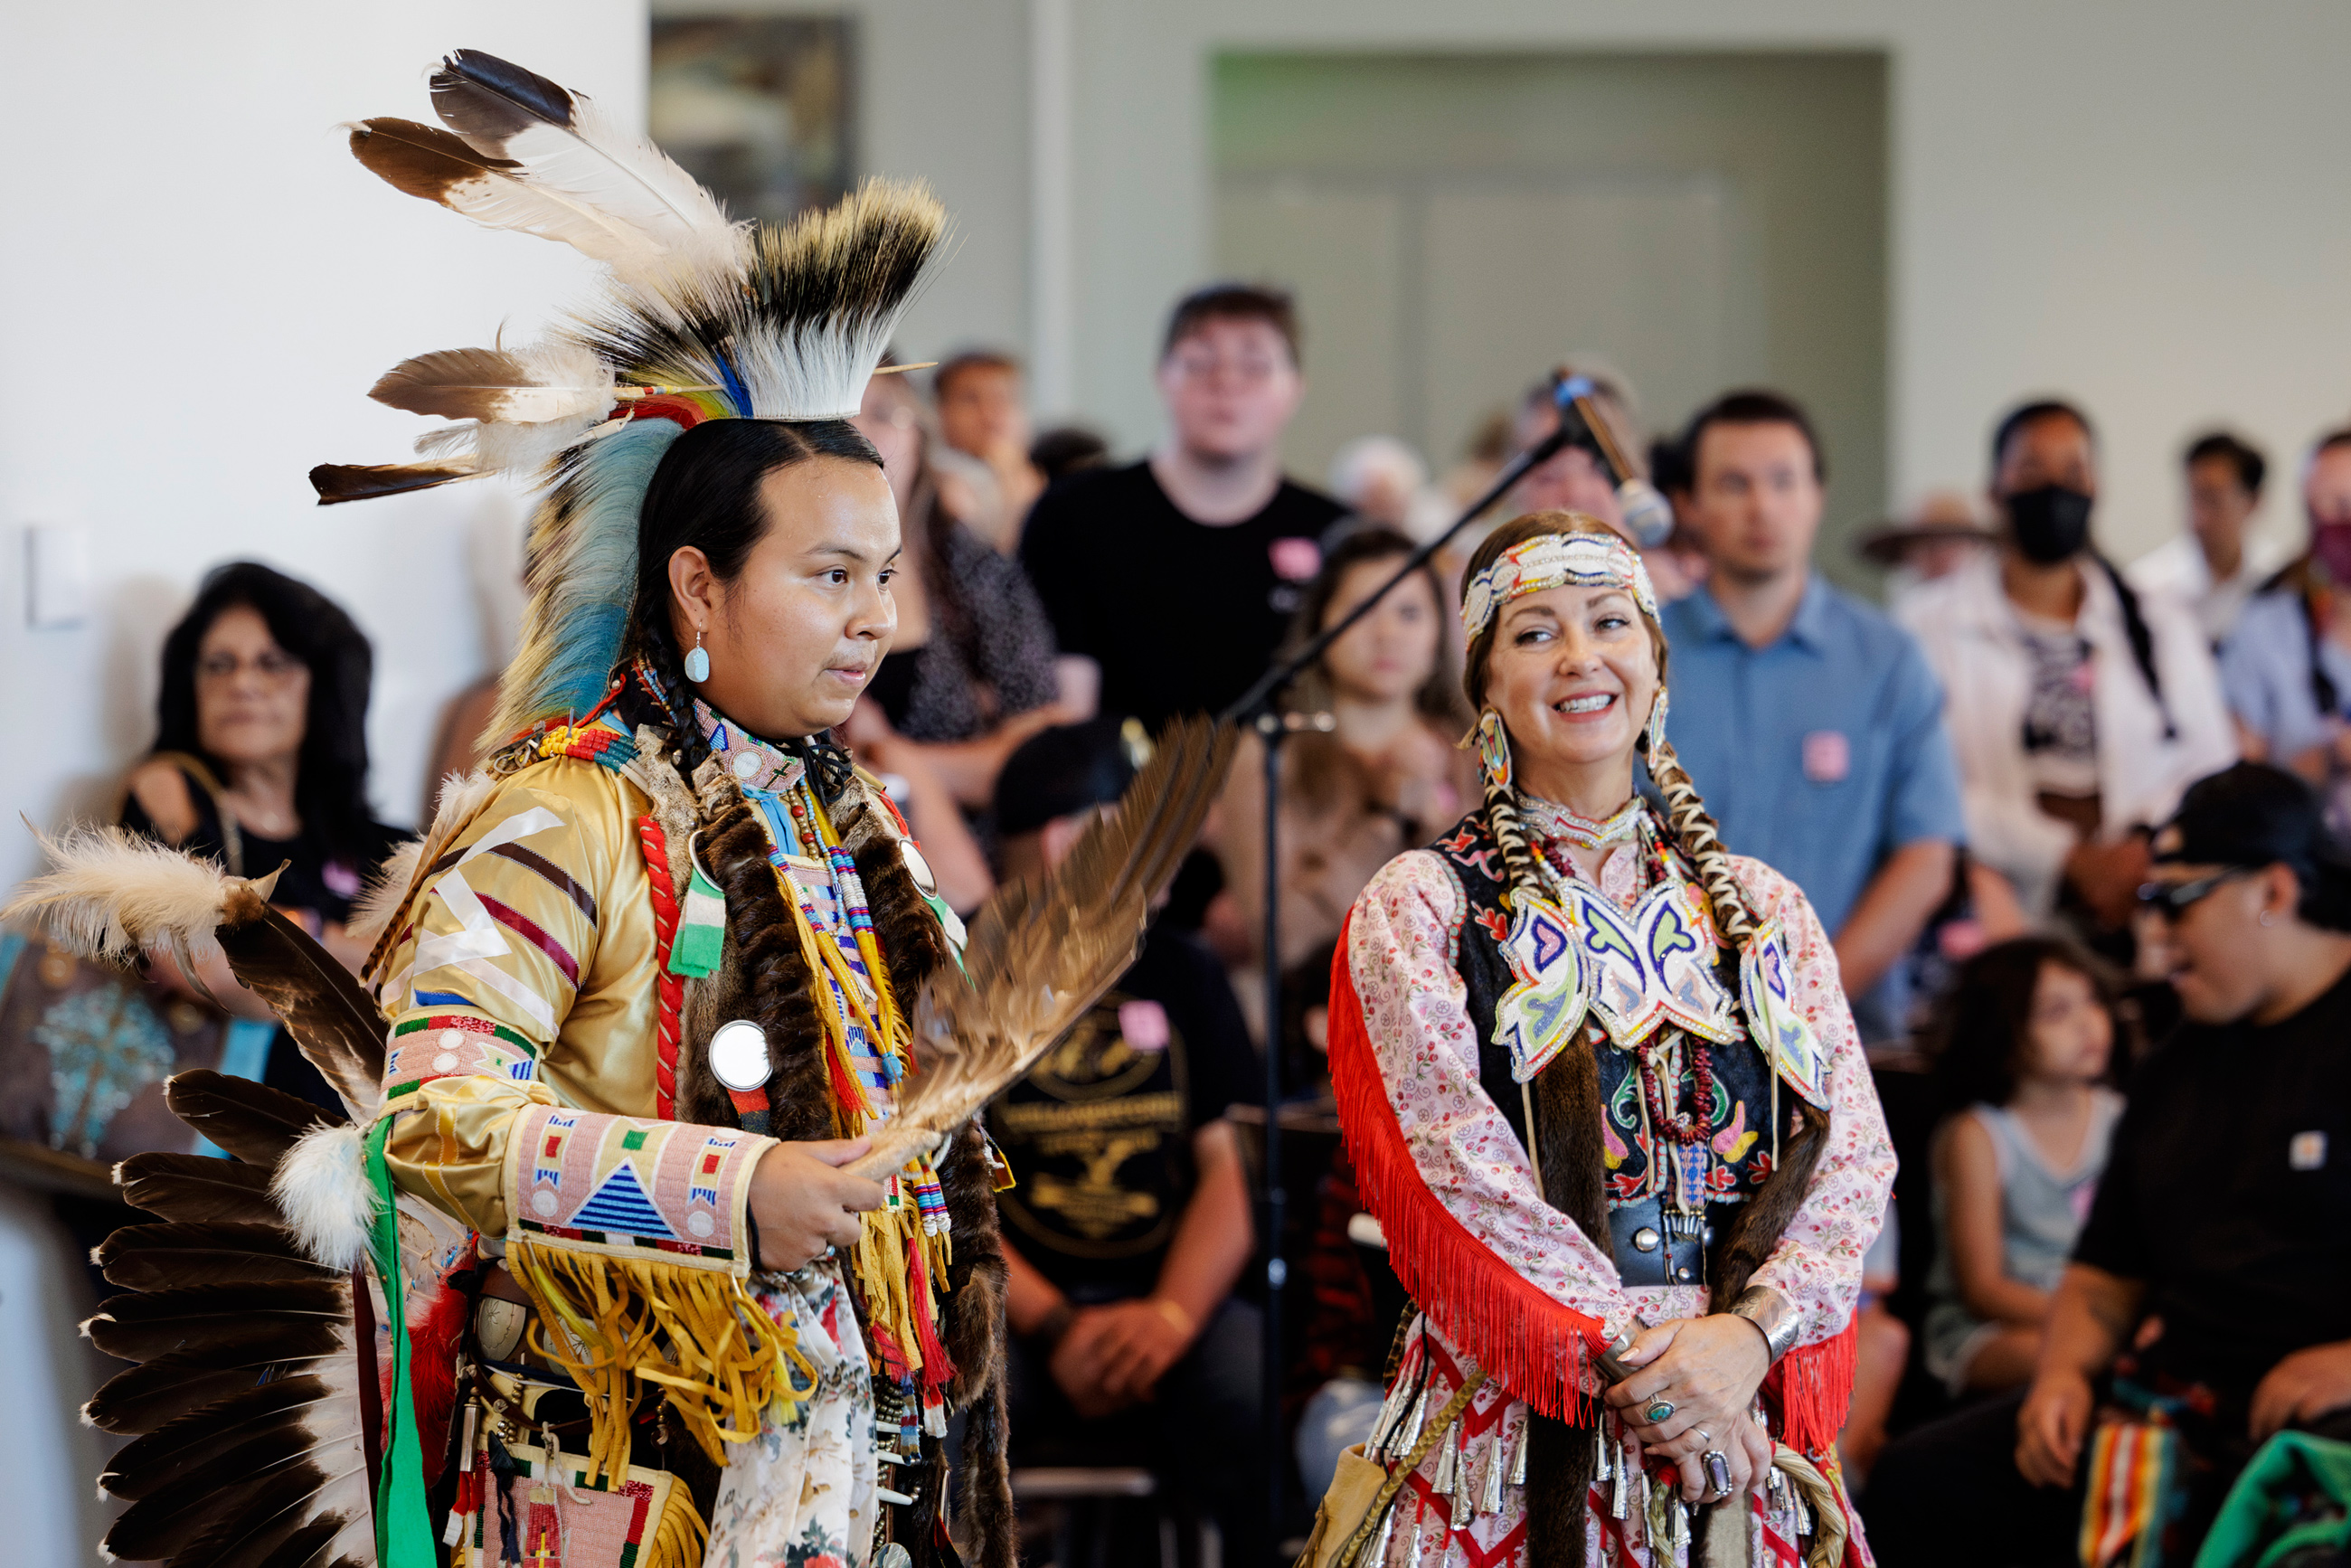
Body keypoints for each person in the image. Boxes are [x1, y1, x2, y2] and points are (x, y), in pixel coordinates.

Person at [1324, 513, 1894, 1563]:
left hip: (1741, 1407)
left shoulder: (1764, 909)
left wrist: (1747, 1339)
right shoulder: (1422, 907)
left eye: (1608, 623)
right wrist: (1657, 1378)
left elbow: (1851, 1157)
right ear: (1484, 686)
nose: (1580, 658)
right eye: (1534, 634)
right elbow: (1457, 1169)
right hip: (1525, 1421)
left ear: (1655, 665)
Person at [1866, 762, 2351, 1566]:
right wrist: (2060, 1379)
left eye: (2176, 903)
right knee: (1926, 1480)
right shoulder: (2174, 1065)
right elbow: (2105, 1272)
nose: (2151, 934)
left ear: (2273, 891)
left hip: (2317, 1420)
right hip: (2174, 1399)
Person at [986, 719, 1268, 1561]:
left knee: (1252, 1386)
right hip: (1011, 1306)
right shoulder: (949, 962)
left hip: (1169, 1298)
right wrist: (1058, 1325)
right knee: (954, 1382)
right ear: (1075, 839)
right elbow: (935, 1191)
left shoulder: (1183, 970)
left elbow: (1232, 1170)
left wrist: (1173, 1317)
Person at [1658, 390, 1966, 1045]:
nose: (1761, 506)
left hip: (1849, 1042)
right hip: (1662, 1048)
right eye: (1734, 484)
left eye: (1782, 481)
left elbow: (1926, 857)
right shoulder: (1636, 655)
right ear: (1689, 506)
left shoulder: (1887, 660)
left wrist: (1804, 1005)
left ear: (1817, 496)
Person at [1895, 399, 2236, 927]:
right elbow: (1925, 779)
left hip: (2140, 904)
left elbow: (2210, 762)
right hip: (1990, 910)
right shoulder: (1925, 627)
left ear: (2096, 487)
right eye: (2031, 469)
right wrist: (2067, 858)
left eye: (2073, 470)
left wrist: (2141, 844)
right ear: (1994, 489)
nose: (2054, 487)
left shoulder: (2160, 622)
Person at [121, 560, 407, 1111]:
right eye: (218, 665)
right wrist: (342, 948)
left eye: (271, 663)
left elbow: (428, 979)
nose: (242, 684)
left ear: (322, 686)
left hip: (363, 1144)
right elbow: (195, 961)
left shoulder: (386, 848)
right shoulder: (170, 796)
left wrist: (283, 943)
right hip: (215, 1150)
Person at [1020, 283, 1347, 730]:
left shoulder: (1338, 534)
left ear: (1296, 388)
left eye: (1255, 366)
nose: (1226, 383)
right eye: (1200, 363)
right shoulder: (1073, 516)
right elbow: (1062, 714)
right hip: (1122, 794)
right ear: (1162, 376)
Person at [1204, 525, 1477, 1036]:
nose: (1387, 633)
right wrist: (1383, 818)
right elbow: (1280, 942)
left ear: (1440, 632)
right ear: (1321, 625)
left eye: (1410, 613)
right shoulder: (1270, 755)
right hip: (1318, 1039)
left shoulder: (1471, 750)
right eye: (1364, 610)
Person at [845, 364, 1082, 856]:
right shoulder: (785, 585)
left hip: (981, 853)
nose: (864, 436)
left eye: (887, 413)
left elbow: (1045, 738)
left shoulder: (966, 565)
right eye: (841, 417)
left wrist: (902, 761)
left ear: (921, 433)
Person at [1919, 937, 2123, 1399]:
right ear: (2003, 1033)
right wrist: (2086, 1321)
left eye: (2092, 1001)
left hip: (2094, 1313)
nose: (2088, 1024)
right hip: (1990, 1328)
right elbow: (1983, 1288)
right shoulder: (1980, 1135)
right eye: (2056, 1012)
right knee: (2057, 1358)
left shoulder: (2122, 1118)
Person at [2218, 430, 2351, 826]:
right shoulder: (2266, 627)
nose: (2339, 523)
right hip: (2314, 865)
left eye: (2349, 504)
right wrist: (2328, 757)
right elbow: (2239, 784)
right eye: (2324, 508)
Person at [1502, 362, 1699, 603]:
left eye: (1599, 469)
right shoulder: (1485, 595)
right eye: (1549, 477)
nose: (1576, 494)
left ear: (1639, 473)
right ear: (1514, 490)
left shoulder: (1679, 593)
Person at [2130, 430, 2282, 647]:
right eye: (2193, 497)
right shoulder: (2146, 589)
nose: (2199, 518)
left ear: (2253, 503)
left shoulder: (2280, 585)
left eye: (2213, 500)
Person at [930, 348, 1045, 552]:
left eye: (1004, 398)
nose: (990, 413)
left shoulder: (1036, 476)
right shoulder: (938, 482)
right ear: (940, 411)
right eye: (970, 399)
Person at [1854, 489, 1995, 616]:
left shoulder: (1997, 613)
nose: (1936, 556)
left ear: (1976, 548)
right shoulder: (1904, 614)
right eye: (1922, 546)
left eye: (1946, 543)